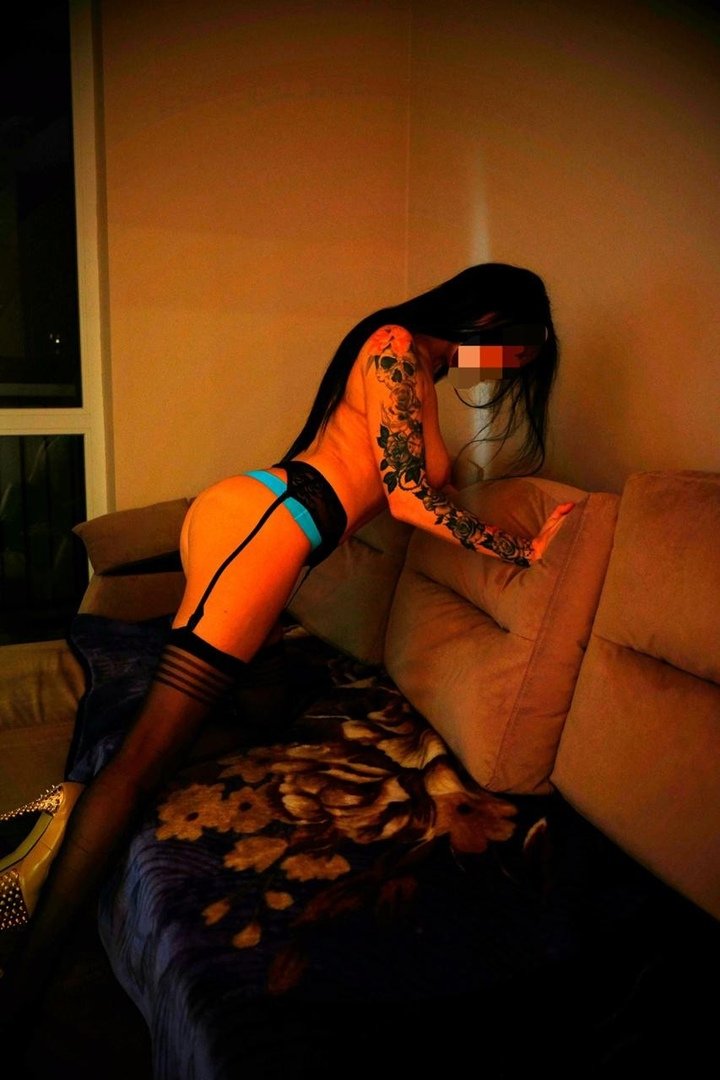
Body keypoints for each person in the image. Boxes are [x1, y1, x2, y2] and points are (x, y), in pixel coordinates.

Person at [0, 261, 574, 1018]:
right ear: (492, 319)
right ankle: (21, 984)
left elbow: (406, 475)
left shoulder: (422, 367)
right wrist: (520, 550)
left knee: (272, 705)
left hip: (270, 523)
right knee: (145, 759)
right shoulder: (398, 345)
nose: (502, 374)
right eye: (513, 357)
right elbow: (407, 495)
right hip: (266, 529)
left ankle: (74, 803)